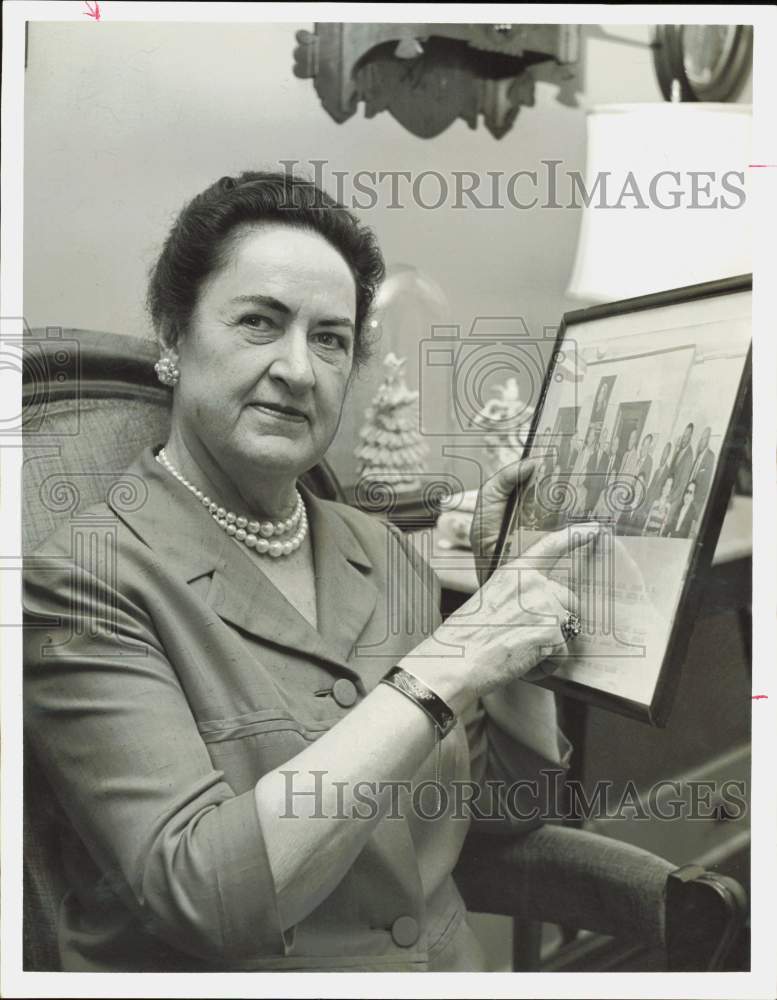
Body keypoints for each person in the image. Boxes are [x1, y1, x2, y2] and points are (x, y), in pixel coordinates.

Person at [23, 172, 596, 973]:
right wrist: (443, 668)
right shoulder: (80, 582)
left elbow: (507, 812)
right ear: (171, 340)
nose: (298, 369)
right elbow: (207, 900)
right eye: (260, 322)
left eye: (330, 338)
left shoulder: (383, 549)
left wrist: (508, 620)